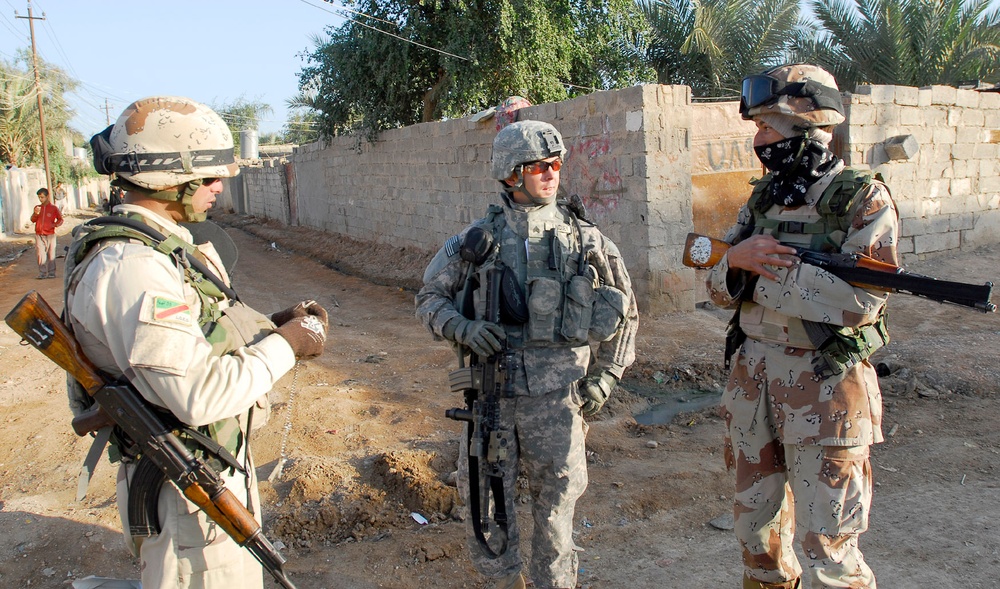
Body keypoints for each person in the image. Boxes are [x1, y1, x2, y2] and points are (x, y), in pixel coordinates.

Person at [66, 96, 329, 589]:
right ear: (169, 178)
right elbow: (198, 393)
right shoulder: (133, 267)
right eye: (208, 175)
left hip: (200, 475)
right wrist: (288, 345)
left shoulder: (157, 248)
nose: (219, 185)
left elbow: (196, 338)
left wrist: (271, 326)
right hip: (184, 493)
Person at [416, 120, 638, 589]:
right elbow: (428, 298)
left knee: (557, 504)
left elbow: (626, 308)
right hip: (492, 395)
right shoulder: (474, 240)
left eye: (556, 165)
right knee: (485, 500)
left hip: (559, 399)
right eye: (539, 166)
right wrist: (462, 326)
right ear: (510, 173)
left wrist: (608, 374)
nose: (551, 174)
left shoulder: (584, 238)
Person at [707, 64, 899, 589]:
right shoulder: (762, 199)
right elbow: (715, 287)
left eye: (769, 127)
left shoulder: (861, 199)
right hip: (753, 383)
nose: (758, 139)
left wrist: (759, 277)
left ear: (810, 130)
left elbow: (863, 300)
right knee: (757, 537)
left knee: (831, 549)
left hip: (825, 389)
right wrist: (737, 263)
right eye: (759, 128)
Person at [30, 186, 63, 279]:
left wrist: (55, 225)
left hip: (50, 235)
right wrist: (35, 214)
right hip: (39, 234)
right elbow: (32, 220)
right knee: (40, 254)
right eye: (39, 197)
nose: (40, 199)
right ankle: (42, 273)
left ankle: (51, 273)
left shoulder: (53, 208)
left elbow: (60, 219)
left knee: (51, 254)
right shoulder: (37, 208)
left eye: (42, 197)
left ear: (47, 196)